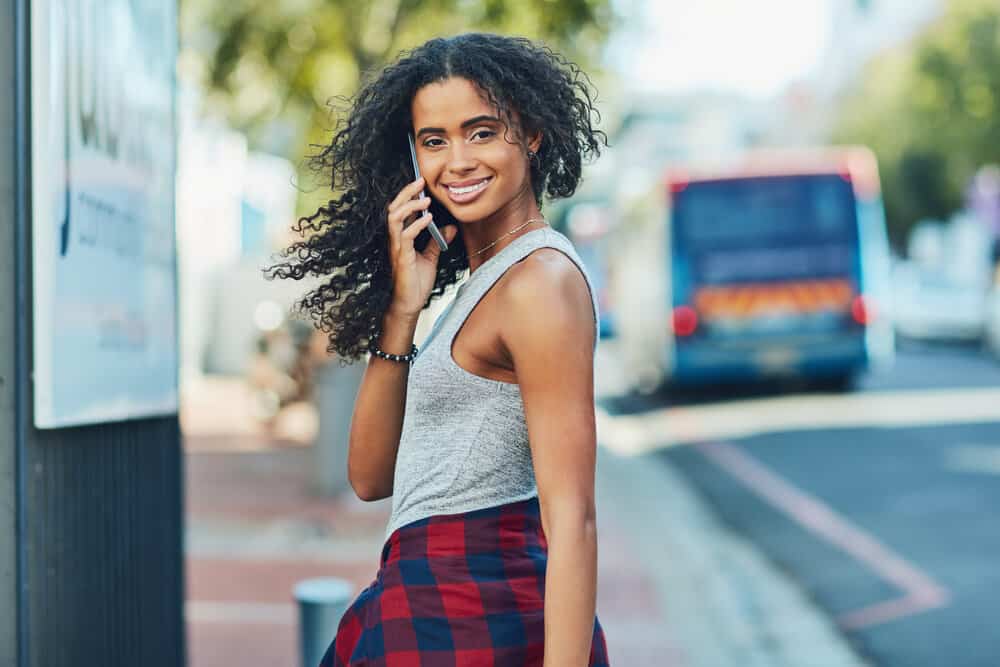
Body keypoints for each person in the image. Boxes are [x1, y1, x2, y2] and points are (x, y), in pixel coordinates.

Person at [266, 32, 609, 666]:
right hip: (425, 598)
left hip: (480, 610)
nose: (458, 161)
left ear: (531, 134)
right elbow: (370, 477)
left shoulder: (541, 282)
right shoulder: (484, 280)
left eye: (482, 132)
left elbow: (575, 517)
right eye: (435, 140)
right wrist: (403, 308)